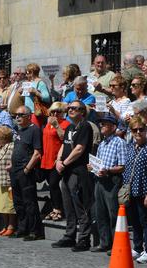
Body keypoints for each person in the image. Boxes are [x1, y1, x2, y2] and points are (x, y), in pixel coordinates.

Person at [52, 100, 95, 251]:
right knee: (68, 205)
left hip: (78, 171)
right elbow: (64, 145)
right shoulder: (70, 126)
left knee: (79, 206)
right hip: (66, 171)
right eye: (69, 108)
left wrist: (65, 163)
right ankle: (69, 235)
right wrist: (58, 160)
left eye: (74, 108)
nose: (70, 110)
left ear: (82, 111)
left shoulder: (85, 126)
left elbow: (79, 149)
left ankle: (83, 239)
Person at [89, 114, 127, 252]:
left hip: (112, 180)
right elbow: (98, 163)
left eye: (105, 124)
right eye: (101, 124)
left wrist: (108, 171)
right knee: (100, 212)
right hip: (100, 180)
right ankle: (104, 242)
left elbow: (122, 166)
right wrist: (92, 167)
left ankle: (116, 244)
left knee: (113, 213)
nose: (102, 126)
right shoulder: (102, 144)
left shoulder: (119, 142)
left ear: (113, 127)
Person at [122, 116, 147, 264]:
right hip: (131, 189)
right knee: (134, 220)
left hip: (144, 189)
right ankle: (137, 247)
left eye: (141, 129)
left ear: (146, 130)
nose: (138, 132)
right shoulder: (130, 146)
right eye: (134, 130)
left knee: (145, 220)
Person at [10, 106, 44, 241]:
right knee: (18, 201)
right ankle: (22, 228)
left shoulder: (34, 130)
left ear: (28, 116)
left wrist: (27, 169)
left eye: (20, 115)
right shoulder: (18, 130)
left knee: (29, 202)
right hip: (15, 170)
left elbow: (37, 153)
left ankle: (35, 231)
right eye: (16, 115)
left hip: (26, 170)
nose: (17, 117)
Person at [41, 102, 70, 222]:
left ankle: (58, 209)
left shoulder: (65, 124)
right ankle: (54, 208)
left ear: (63, 113)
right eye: (53, 111)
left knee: (53, 184)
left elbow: (64, 138)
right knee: (51, 186)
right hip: (46, 158)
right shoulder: (48, 124)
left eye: (58, 111)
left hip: (57, 158)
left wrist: (57, 125)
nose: (55, 114)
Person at [0, 126, 16, 235]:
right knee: (2, 206)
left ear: (3, 137)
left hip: (7, 180)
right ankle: (5, 225)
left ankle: (11, 226)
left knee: (9, 206)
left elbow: (14, 160)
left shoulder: (11, 146)